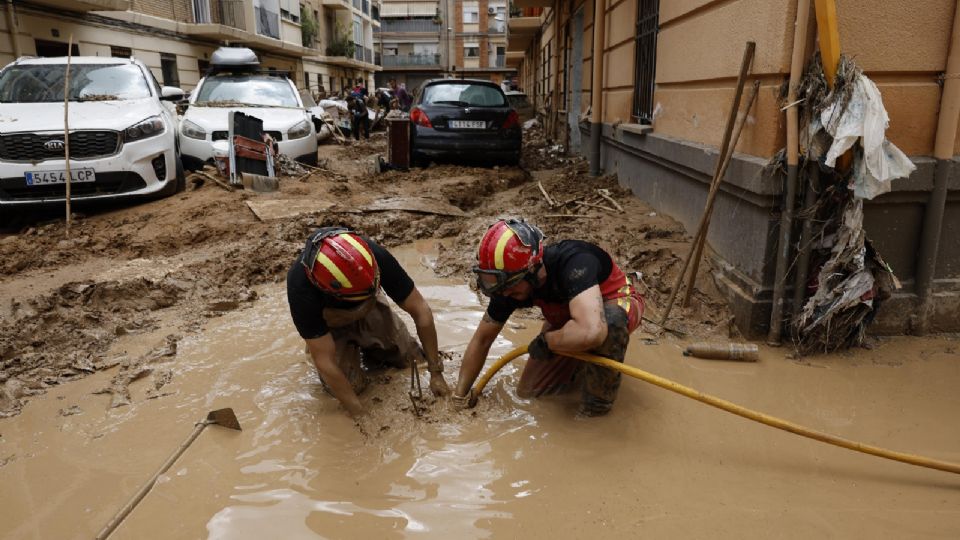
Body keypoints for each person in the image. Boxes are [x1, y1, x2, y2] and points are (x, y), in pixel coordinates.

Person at [452, 219, 645, 417]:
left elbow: (592, 331)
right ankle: (578, 364)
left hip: (616, 304)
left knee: (608, 326)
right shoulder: (509, 286)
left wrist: (548, 341)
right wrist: (460, 396)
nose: (505, 294)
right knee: (529, 393)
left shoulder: (575, 262)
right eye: (500, 288)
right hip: (571, 317)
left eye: (510, 286)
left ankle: (596, 410)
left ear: (534, 270)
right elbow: (482, 340)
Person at [287, 227, 450, 417]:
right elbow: (325, 360)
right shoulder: (300, 287)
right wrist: (360, 414)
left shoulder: (372, 257)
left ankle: (374, 348)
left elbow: (421, 311)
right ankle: (327, 347)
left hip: (369, 307)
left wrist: (436, 372)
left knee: (412, 361)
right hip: (329, 325)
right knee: (350, 387)